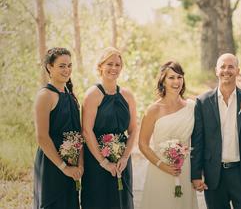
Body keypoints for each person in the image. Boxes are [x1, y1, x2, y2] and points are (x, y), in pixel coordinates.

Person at [191, 53, 241, 209]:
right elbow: (198, 141)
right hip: (214, 176)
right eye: (222, 66)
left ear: (237, 70)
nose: (226, 70)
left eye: (231, 66)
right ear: (216, 70)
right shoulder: (202, 102)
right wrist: (196, 174)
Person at [81, 47, 137, 209]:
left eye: (118, 65)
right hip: (97, 162)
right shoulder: (92, 94)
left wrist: (125, 157)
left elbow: (133, 129)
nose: (114, 68)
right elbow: (86, 130)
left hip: (122, 161)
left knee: (122, 201)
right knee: (99, 201)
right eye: (109, 64)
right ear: (100, 66)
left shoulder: (127, 95)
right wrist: (104, 162)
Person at [138, 61, 198, 209]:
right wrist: (162, 165)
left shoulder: (192, 107)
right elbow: (142, 144)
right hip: (160, 170)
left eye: (179, 77)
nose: (176, 81)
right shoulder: (153, 109)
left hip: (184, 170)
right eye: (171, 77)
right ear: (163, 81)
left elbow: (199, 141)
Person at [33, 47, 82, 209]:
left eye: (69, 65)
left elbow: (78, 133)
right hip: (51, 165)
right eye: (62, 66)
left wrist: (79, 164)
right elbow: (42, 137)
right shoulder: (45, 96)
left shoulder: (70, 95)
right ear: (49, 67)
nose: (67, 70)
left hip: (71, 164)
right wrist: (64, 167)